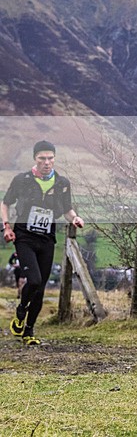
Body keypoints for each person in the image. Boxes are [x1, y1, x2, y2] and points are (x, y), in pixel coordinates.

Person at [2, 140, 84, 345]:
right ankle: (21, 311)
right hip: (25, 237)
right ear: (35, 159)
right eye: (42, 158)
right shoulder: (22, 180)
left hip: (47, 238)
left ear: (54, 159)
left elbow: (67, 209)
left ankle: (28, 332)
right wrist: (7, 226)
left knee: (40, 288)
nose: (46, 162)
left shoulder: (62, 183)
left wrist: (74, 218)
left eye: (50, 158)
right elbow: (5, 203)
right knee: (35, 280)